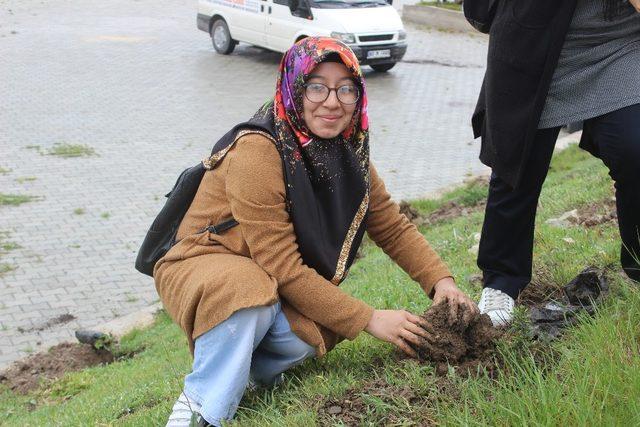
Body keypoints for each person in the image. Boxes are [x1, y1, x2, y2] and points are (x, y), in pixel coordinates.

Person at [154, 37, 477, 427]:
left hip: (265, 280)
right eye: (317, 86)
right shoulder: (258, 150)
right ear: (294, 87)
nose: (332, 101)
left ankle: (243, 366)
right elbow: (284, 267)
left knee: (322, 324)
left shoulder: (348, 150)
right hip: (204, 265)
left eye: (346, 88)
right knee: (247, 291)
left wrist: (441, 282)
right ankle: (199, 409)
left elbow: (390, 225)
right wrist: (371, 318)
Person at [464, 0, 640, 326]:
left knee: (635, 146)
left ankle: (639, 262)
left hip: (620, 45)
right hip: (533, 45)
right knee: (517, 166)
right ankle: (501, 282)